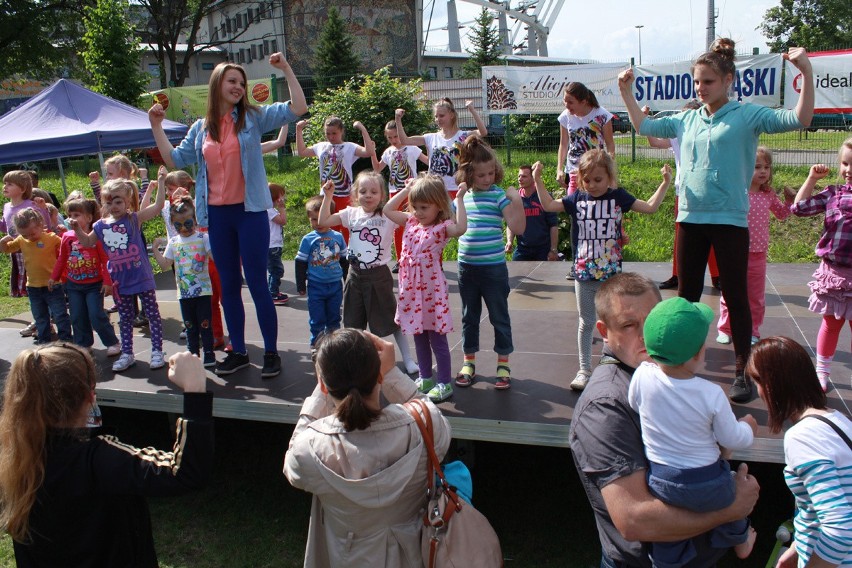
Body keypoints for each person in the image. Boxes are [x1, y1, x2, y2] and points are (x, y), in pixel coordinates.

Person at [618, 38, 814, 403]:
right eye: (697, 82)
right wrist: (626, 92)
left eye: (707, 81)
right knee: (686, 298)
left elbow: (800, 119)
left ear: (727, 81)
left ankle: (742, 370)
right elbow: (644, 126)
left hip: (729, 221)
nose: (700, 88)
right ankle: (678, 363)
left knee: (735, 296)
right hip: (691, 218)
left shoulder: (748, 115)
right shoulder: (688, 118)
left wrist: (806, 73)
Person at [569, 272, 761, 568]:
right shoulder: (604, 406)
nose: (646, 335)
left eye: (652, 321)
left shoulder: (660, 372)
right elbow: (635, 520)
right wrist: (732, 509)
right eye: (629, 325)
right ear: (604, 332)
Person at [149, 52, 308, 379]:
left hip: (249, 214)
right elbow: (176, 159)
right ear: (217, 84)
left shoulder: (252, 117)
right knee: (230, 286)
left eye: (241, 83)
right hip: (218, 218)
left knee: (260, 285)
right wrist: (156, 126)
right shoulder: (201, 127)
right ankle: (237, 350)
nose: (238, 87)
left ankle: (271, 352)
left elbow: (298, 108)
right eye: (232, 81)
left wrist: (286, 68)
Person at [0, 344, 214, 567]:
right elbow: (184, 472)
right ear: (89, 395)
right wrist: (195, 390)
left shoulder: (13, 460)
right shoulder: (97, 459)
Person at [283, 329, 451, 568]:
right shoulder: (425, 426)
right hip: (416, 554)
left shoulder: (310, 449)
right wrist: (393, 374)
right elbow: (429, 412)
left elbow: (292, 465)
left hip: (347, 557)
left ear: (324, 385)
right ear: (379, 376)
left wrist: (319, 396)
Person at [628, 297, 757, 566]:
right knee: (733, 487)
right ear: (698, 354)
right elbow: (730, 438)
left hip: (662, 483)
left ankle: (667, 560)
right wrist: (748, 427)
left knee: (668, 536)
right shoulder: (710, 394)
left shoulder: (641, 376)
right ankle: (740, 538)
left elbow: (634, 404)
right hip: (707, 484)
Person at [533, 152, 672, 390]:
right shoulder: (577, 199)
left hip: (612, 277)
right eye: (587, 180)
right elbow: (548, 205)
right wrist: (538, 180)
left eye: (598, 180)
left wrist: (665, 183)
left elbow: (649, 207)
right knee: (586, 322)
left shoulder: (618, 198)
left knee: (618, 322)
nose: (592, 185)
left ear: (609, 177)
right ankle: (584, 370)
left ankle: (621, 365)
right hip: (585, 273)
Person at [746, 337, 852, 568]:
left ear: (773, 384)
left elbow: (840, 527)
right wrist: (796, 549)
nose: (758, 390)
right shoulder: (837, 419)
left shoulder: (802, 438)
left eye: (757, 380)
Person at [318, 172, 419, 374]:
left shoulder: (387, 215)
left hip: (379, 274)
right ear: (355, 194)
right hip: (355, 274)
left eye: (374, 191)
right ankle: (355, 360)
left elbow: (414, 218)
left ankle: (408, 359)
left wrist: (407, 190)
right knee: (353, 321)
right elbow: (324, 221)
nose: (368, 195)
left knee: (392, 319)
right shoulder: (351, 213)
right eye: (363, 191)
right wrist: (327, 197)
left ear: (382, 195)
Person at [71, 171, 167, 372]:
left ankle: (157, 351)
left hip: (141, 277)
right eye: (108, 202)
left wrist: (161, 182)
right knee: (125, 318)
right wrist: (78, 230)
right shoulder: (99, 226)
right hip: (120, 281)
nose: (113, 207)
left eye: (118, 202)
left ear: (127, 202)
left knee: (152, 314)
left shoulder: (133, 219)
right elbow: (88, 242)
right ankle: (127, 353)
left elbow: (157, 207)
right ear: (103, 204)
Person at [384, 174, 467, 402]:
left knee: (437, 338)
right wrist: (406, 189)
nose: (419, 212)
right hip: (411, 290)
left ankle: (443, 383)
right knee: (418, 335)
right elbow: (388, 210)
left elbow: (461, 228)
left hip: (431, 292)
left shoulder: (442, 227)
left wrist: (459, 199)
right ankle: (425, 376)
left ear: (439, 205)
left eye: (424, 207)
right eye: (415, 206)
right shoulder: (411, 221)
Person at [453, 135, 525, 390]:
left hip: (493, 268)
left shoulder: (498, 196)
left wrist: (517, 200)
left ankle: (503, 362)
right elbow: (452, 226)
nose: (487, 179)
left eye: (491, 173)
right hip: (467, 267)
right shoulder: (463, 196)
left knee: (499, 316)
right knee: (468, 316)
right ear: (469, 174)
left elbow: (517, 227)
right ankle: (468, 361)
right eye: (481, 175)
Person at [791, 138, 852, 392]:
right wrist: (811, 179)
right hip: (835, 272)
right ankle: (822, 371)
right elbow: (799, 208)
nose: (848, 170)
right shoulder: (833, 193)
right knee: (831, 322)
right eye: (845, 163)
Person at [717, 147, 794, 346]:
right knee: (730, 293)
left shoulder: (767, 195)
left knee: (756, 297)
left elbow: (782, 214)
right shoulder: (737, 192)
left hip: (758, 254)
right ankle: (725, 328)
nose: (763, 171)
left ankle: (753, 330)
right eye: (757, 166)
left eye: (766, 167)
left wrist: (789, 200)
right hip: (734, 252)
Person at [642, 102, 720, 291]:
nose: (686, 122)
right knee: (681, 236)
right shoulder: (677, 137)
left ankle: (717, 277)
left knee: (709, 235)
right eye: (684, 118)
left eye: (691, 117)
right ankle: (677, 276)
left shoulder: (709, 136)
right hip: (683, 193)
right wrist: (644, 119)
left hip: (706, 193)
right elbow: (654, 142)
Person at [160, 170, 226, 350]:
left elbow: (206, 217)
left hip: (211, 258)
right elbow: (163, 209)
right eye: (168, 190)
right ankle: (216, 335)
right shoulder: (173, 211)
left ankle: (235, 337)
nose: (171, 194)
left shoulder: (198, 204)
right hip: (192, 263)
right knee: (209, 302)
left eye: (173, 189)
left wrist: (189, 199)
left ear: (186, 188)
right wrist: (159, 185)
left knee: (226, 299)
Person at [48, 197, 120, 355]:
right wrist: (55, 277)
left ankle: (112, 342)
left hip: (94, 285)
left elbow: (105, 260)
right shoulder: (67, 237)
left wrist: (108, 282)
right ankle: (83, 344)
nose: (72, 219)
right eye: (70, 215)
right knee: (77, 315)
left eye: (76, 215)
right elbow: (62, 259)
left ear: (88, 218)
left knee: (96, 314)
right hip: (74, 285)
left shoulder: (95, 237)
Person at [152, 196, 217, 369]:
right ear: (173, 225)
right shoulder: (174, 242)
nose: (184, 229)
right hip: (184, 293)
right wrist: (155, 250)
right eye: (178, 225)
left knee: (205, 324)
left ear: (195, 220)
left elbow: (214, 257)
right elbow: (165, 265)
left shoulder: (203, 238)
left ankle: (209, 353)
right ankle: (193, 355)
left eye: (188, 223)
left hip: (203, 291)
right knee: (189, 326)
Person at [0, 207, 71, 344]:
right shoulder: (21, 240)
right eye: (25, 235)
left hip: (53, 285)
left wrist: (65, 232)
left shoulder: (51, 238)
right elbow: (6, 249)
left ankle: (66, 338)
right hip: (33, 286)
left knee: (60, 314)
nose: (29, 238)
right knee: (40, 316)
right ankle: (44, 339)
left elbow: (67, 245)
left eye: (32, 233)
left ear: (41, 225)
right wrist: (3, 242)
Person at [296, 117, 375, 241]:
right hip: (326, 196)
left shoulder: (349, 147)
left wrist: (362, 129)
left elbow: (369, 151)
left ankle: (345, 255)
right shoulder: (321, 146)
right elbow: (302, 152)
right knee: (327, 226)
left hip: (344, 195)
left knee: (345, 227)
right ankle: (328, 254)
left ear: (341, 131)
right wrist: (299, 129)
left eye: (334, 133)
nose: (331, 137)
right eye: (328, 133)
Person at [394, 98, 488, 198]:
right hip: (435, 189)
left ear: (451, 115)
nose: (438, 119)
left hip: (457, 189)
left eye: (441, 116)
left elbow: (483, 132)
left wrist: (472, 111)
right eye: (436, 116)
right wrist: (398, 120)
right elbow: (405, 141)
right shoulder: (430, 137)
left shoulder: (462, 136)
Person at [371, 119, 430, 270]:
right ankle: (400, 259)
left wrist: (431, 148)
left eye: (396, 136)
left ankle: (420, 257)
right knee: (397, 227)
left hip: (412, 192)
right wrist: (372, 152)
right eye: (390, 138)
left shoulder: (412, 148)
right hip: (394, 193)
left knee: (416, 224)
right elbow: (377, 168)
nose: (393, 140)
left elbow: (428, 161)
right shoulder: (388, 152)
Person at [1, 170, 51, 340]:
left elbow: (45, 226)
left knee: (38, 287)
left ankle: (43, 320)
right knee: (30, 289)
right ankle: (41, 320)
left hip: (33, 251)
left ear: (22, 188)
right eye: (5, 183)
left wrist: (43, 209)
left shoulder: (30, 205)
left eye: (10, 184)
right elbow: (6, 227)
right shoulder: (7, 206)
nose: (5, 186)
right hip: (16, 252)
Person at [295, 195, 348, 352]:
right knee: (317, 319)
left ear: (330, 217)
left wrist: (347, 281)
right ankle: (316, 345)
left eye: (321, 218)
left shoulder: (338, 237)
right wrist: (300, 284)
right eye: (313, 219)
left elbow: (344, 261)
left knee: (334, 318)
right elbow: (300, 263)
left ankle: (333, 345)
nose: (317, 223)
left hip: (335, 286)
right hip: (316, 286)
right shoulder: (308, 239)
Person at [556, 81, 616, 195]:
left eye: (570, 102)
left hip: (596, 170)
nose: (566, 105)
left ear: (583, 102)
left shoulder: (602, 115)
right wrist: (559, 169)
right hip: (573, 170)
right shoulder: (565, 116)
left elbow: (610, 144)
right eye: (565, 101)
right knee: (575, 208)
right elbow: (563, 144)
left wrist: (610, 170)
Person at [505, 164, 560, 261]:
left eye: (524, 176)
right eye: (519, 176)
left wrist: (553, 249)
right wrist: (509, 241)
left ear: (533, 178)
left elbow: (553, 225)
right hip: (522, 249)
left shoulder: (544, 197)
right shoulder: (515, 198)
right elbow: (511, 224)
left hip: (543, 249)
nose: (520, 179)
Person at [267, 182, 289, 305]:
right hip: (272, 246)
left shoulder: (270, 210)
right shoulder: (270, 210)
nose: (283, 199)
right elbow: (283, 221)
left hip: (273, 245)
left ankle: (273, 291)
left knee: (274, 270)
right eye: (281, 196)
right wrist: (281, 209)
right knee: (276, 270)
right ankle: (273, 293)